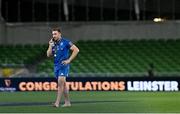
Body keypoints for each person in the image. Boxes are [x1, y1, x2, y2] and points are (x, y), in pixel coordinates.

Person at [47, 27, 79, 108]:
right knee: (63, 85)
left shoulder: (66, 42)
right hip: (56, 66)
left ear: (59, 34)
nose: (53, 35)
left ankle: (56, 103)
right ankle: (67, 102)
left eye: (55, 34)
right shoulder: (53, 43)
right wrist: (50, 46)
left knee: (60, 83)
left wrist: (69, 60)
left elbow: (76, 50)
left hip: (63, 65)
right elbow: (48, 55)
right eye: (53, 34)